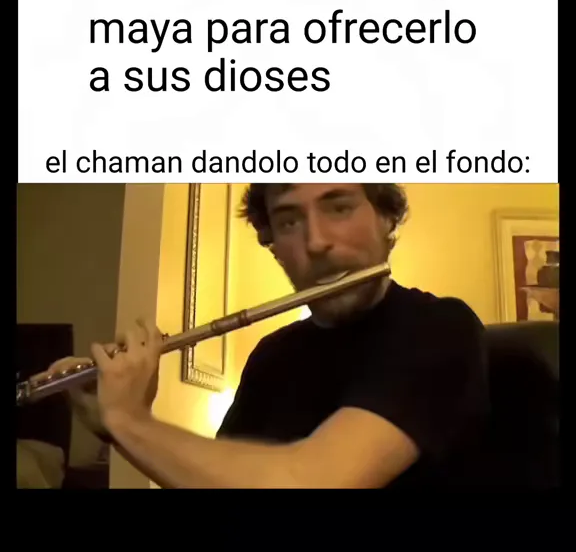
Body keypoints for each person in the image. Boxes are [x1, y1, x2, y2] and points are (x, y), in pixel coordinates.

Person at [40, 183, 490, 490]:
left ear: (387, 219)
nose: (316, 242)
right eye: (289, 221)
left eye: (339, 207)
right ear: (272, 243)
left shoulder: (439, 327)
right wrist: (114, 420)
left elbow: (314, 481)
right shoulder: (274, 354)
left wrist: (130, 421)